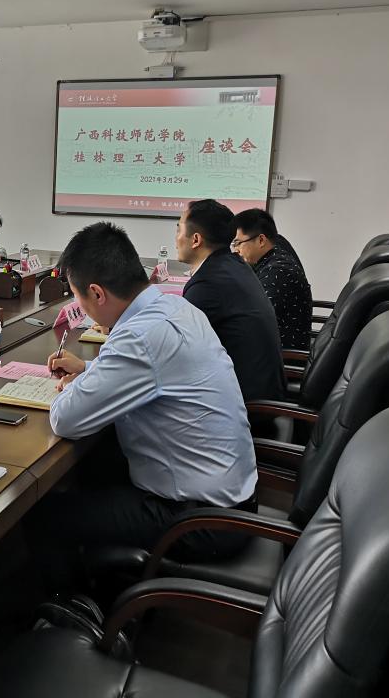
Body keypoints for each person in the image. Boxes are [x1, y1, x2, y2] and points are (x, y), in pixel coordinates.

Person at [31, 222, 257, 592]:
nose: (80, 308)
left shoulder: (138, 336)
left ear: (97, 293)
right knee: (97, 465)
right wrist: (89, 370)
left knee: (46, 514)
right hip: (232, 500)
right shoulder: (174, 307)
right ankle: (102, 581)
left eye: (77, 297)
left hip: (201, 522)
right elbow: (156, 373)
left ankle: (76, 613)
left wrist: (76, 387)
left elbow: (66, 419)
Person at [175, 199, 285, 401]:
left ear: (196, 239)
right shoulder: (233, 265)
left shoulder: (207, 283)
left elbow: (176, 348)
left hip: (245, 404)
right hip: (262, 390)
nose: (176, 237)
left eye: (178, 229)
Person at [232, 209, 313, 350]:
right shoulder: (273, 257)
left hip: (282, 354)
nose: (236, 250)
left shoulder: (277, 272)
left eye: (238, 243)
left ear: (261, 240)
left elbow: (254, 322)